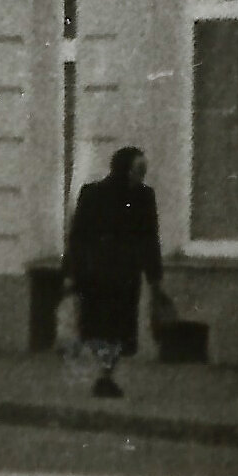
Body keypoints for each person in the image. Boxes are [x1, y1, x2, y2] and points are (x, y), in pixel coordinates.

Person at [64, 145, 168, 402]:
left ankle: (105, 375)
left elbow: (149, 239)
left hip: (123, 275)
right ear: (124, 169)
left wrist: (154, 278)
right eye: (137, 170)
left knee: (117, 328)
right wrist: (70, 273)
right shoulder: (94, 193)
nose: (141, 176)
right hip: (97, 274)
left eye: (143, 171)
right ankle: (104, 375)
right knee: (103, 327)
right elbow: (77, 237)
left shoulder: (144, 197)